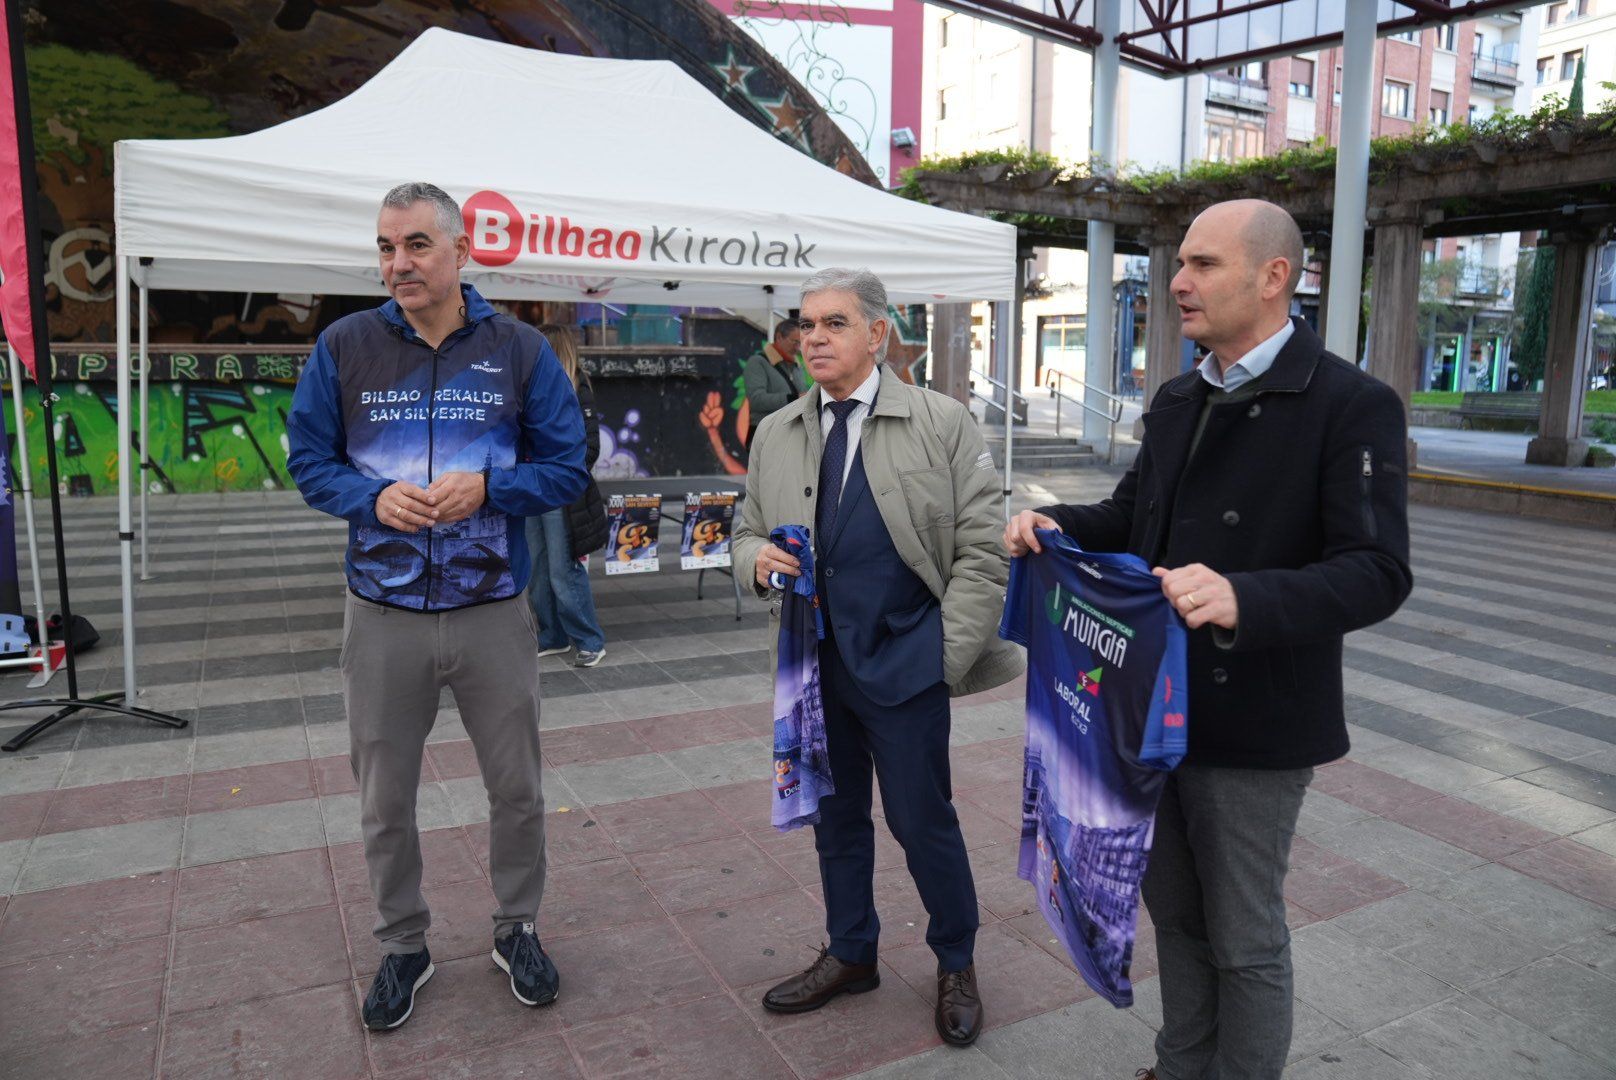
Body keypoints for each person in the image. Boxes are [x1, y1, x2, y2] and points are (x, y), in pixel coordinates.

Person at [1005, 199, 1413, 1080]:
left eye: (1202, 264)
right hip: (1148, 709)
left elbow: (1378, 570)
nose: (1177, 283)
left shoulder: (1351, 404)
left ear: (1274, 278)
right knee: (1176, 917)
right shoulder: (1181, 394)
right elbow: (1132, 514)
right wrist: (1055, 520)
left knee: (1245, 935)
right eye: (1179, 264)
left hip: (1255, 724)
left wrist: (1244, 597)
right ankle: (1182, 1064)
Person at [286, 182, 588, 1032]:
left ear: (462, 252)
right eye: (385, 248)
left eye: (416, 245)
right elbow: (307, 460)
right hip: (380, 613)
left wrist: (493, 486)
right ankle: (403, 944)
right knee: (385, 797)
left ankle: (516, 928)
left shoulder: (519, 349)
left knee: (517, 788)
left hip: (494, 606)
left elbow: (569, 466)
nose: (397, 265)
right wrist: (367, 499)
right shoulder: (344, 345)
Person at [733, 267, 1024, 1048]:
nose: (814, 338)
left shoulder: (942, 422)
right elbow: (744, 530)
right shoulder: (778, 431)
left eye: (834, 323)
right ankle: (852, 951)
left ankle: (956, 960)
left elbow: (981, 553)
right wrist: (756, 557)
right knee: (835, 821)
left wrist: (941, 656)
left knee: (922, 820)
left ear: (877, 333)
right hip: (813, 669)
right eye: (806, 324)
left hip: (906, 664)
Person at [527, 324, 608, 667]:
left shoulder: (578, 387)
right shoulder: (532, 386)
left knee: (563, 569)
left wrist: (560, 475)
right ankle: (553, 636)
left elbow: (591, 447)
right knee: (537, 568)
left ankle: (589, 640)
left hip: (560, 492)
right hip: (532, 488)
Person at [742, 316, 807, 438]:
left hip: (791, 433)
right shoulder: (757, 362)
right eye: (795, 342)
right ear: (778, 337)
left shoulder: (797, 364)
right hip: (765, 433)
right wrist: (793, 398)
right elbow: (756, 400)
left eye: (801, 343)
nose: (798, 348)